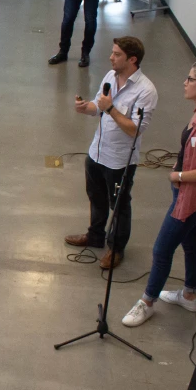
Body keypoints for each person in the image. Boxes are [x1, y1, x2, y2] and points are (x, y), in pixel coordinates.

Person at [122, 61, 196, 328]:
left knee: (162, 249)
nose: (184, 82)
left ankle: (146, 303)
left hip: (192, 197)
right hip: (185, 191)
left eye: (190, 79)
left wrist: (178, 176)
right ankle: (191, 294)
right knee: (192, 242)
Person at [65, 37, 158, 269]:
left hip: (120, 161)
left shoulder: (146, 91)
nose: (111, 57)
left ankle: (116, 248)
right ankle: (95, 236)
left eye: (117, 54)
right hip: (97, 152)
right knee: (96, 198)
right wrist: (86, 107)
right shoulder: (110, 76)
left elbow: (134, 130)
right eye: (112, 52)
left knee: (119, 205)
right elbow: (98, 106)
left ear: (132, 59)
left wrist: (111, 109)